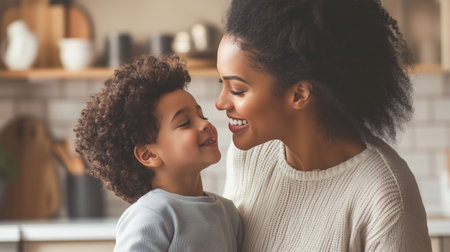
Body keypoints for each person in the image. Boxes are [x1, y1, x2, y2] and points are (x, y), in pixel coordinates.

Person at [215, 0, 432, 251]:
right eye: (222, 83)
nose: (221, 103)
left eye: (238, 90)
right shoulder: (248, 157)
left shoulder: (384, 196)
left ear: (299, 95)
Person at [74, 54, 243, 252]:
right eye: (185, 123)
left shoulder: (227, 213)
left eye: (201, 115)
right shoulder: (151, 215)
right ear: (148, 155)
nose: (205, 124)